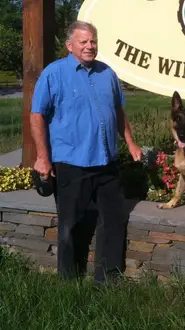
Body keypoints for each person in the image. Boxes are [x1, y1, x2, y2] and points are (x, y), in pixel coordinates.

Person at [30, 20, 142, 284]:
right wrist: (43, 158)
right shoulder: (53, 74)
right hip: (71, 162)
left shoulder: (107, 74)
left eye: (93, 41)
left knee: (113, 220)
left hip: (107, 162)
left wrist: (131, 142)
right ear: (70, 46)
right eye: (84, 42)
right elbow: (37, 116)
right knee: (71, 225)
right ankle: (69, 281)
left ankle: (108, 279)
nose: (90, 46)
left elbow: (118, 112)